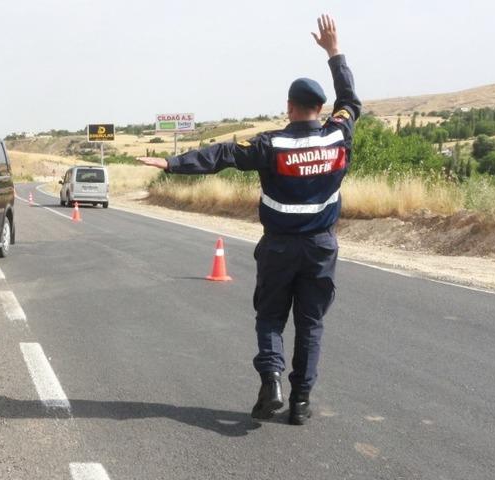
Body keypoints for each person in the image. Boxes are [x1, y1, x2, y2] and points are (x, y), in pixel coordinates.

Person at [137, 14, 360, 425]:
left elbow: (221, 154)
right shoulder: (338, 135)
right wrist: (334, 52)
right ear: (321, 108)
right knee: (310, 324)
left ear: (290, 107)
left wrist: (172, 163)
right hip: (321, 248)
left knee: (271, 317)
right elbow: (351, 102)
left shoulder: (271, 145)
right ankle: (301, 402)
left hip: (279, 248)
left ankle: (271, 380)